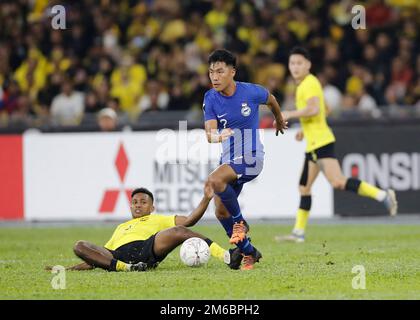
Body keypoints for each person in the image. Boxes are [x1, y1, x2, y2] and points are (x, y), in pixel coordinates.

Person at [275, 47, 398, 243]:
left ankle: (383, 195)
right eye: (292, 63)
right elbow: (325, 108)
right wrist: (304, 129)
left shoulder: (309, 83)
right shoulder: (306, 85)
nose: (295, 67)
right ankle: (298, 232)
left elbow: (314, 108)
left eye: (299, 63)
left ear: (308, 65)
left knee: (338, 181)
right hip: (313, 143)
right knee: (304, 187)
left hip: (321, 142)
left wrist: (289, 114)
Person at [203, 49, 288, 270]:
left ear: (232, 72)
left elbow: (271, 99)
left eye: (220, 71)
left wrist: (279, 119)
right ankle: (249, 251)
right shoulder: (210, 97)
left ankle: (240, 223)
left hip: (251, 159)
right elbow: (209, 133)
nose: (215, 76)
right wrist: (217, 136)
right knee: (220, 211)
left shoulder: (250, 92)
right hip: (229, 160)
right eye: (211, 72)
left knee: (215, 180)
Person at [46, 184, 243, 272]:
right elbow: (98, 259)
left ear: (152, 207)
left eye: (143, 202)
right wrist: (67, 269)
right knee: (79, 246)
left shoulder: (157, 219)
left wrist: (206, 198)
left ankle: (226, 256)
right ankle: (128, 268)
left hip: (147, 247)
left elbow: (190, 220)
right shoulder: (121, 227)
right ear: (130, 206)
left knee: (178, 231)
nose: (138, 205)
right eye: (135, 202)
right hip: (118, 256)